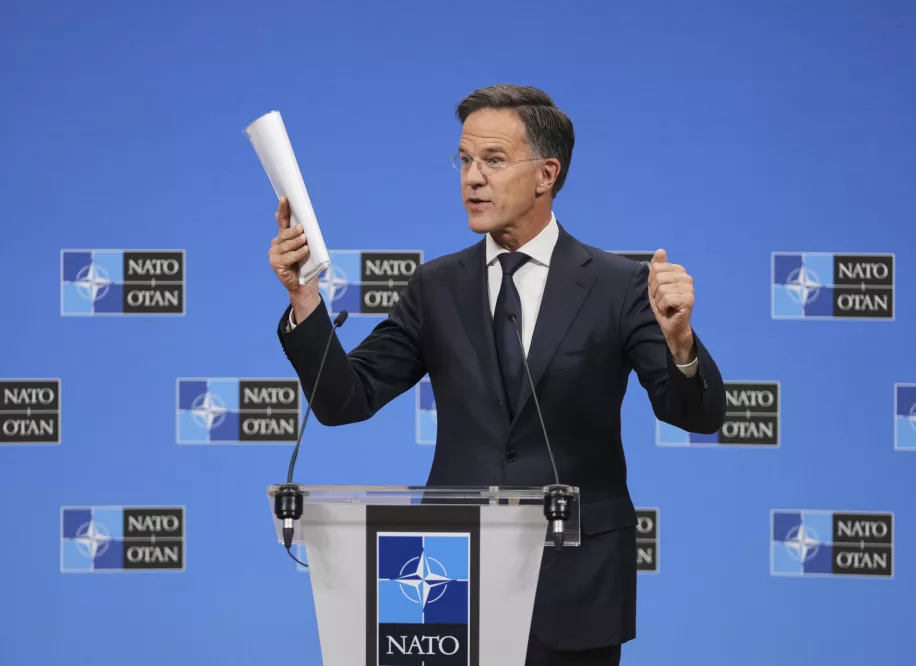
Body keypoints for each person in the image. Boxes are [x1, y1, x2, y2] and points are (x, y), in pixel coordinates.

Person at [267, 83, 726, 666]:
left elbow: (696, 412)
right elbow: (344, 400)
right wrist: (304, 300)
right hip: (446, 584)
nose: (472, 178)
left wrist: (681, 340)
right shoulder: (436, 287)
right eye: (464, 160)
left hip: (575, 583)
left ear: (546, 174)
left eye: (493, 160)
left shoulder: (619, 286)